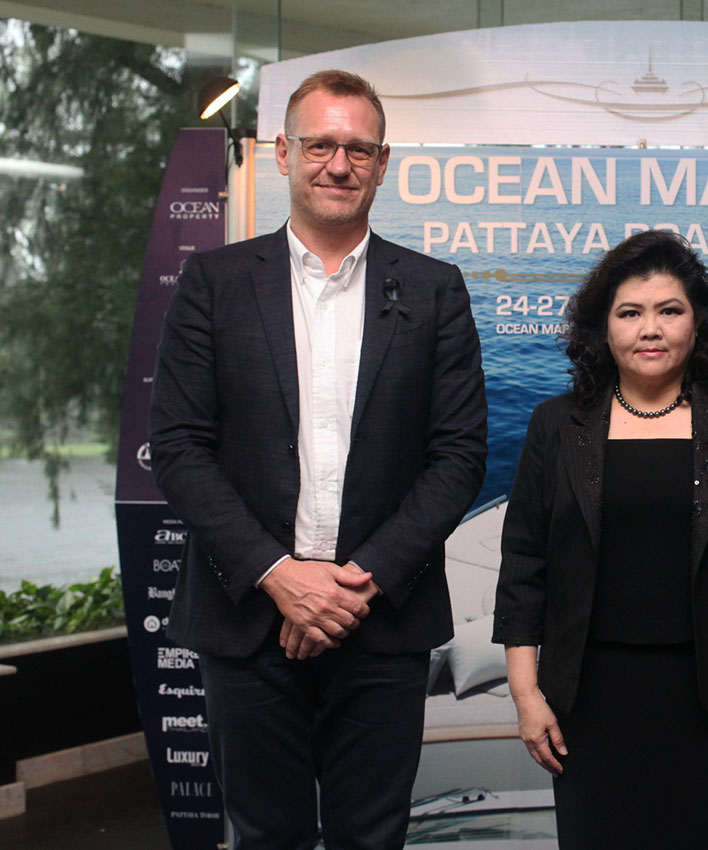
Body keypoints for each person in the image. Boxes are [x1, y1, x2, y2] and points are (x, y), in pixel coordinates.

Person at [149, 69, 486, 850]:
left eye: (358, 149)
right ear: (282, 152)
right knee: (267, 837)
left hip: (382, 622)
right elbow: (179, 448)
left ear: (383, 161)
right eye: (321, 145)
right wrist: (282, 577)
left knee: (373, 837)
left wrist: (348, 589)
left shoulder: (436, 290)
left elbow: (459, 455)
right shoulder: (214, 284)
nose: (339, 164)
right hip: (247, 620)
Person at [492, 229, 708, 850]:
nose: (650, 329)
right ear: (602, 328)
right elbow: (524, 566)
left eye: (670, 311)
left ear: (699, 323)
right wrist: (527, 696)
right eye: (630, 313)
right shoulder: (556, 425)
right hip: (586, 699)